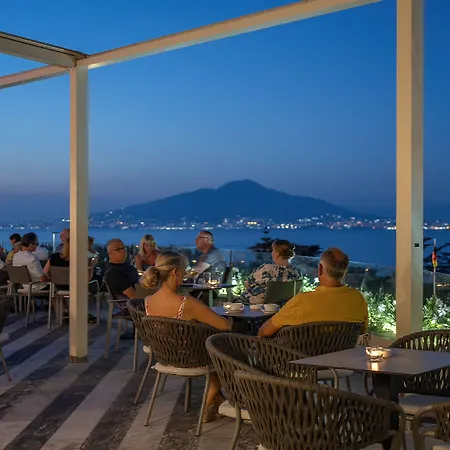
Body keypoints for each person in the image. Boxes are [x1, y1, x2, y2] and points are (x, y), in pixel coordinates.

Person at [142, 251, 230, 422]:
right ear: (175, 272)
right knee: (225, 352)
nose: (186, 273)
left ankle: (216, 399)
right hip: (192, 357)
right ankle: (207, 406)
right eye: (184, 270)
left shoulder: (148, 301)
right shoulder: (187, 303)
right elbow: (225, 325)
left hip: (165, 355)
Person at [258, 247, 368, 338]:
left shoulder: (302, 301)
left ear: (320, 269)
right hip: (342, 356)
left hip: (299, 357)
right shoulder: (358, 298)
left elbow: (264, 332)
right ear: (345, 272)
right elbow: (362, 332)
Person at [241, 240, 302, 304]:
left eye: (273, 250)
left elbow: (247, 283)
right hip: (284, 306)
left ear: (277, 253)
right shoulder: (297, 272)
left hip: (259, 305)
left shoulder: (267, 269)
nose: (271, 253)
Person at [103, 238, 139, 312]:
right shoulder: (113, 273)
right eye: (118, 249)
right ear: (110, 253)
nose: (123, 251)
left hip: (141, 300)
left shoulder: (126, 267)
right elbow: (133, 295)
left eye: (123, 248)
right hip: (133, 308)